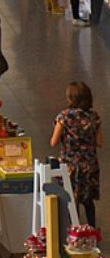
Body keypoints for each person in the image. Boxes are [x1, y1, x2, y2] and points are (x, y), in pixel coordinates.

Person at [51, 82, 102, 228]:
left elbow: (53, 142)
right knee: (88, 201)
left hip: (70, 165)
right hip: (90, 164)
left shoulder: (64, 117)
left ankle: (75, 232)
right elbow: (100, 142)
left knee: (72, 200)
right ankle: (92, 231)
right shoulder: (94, 116)